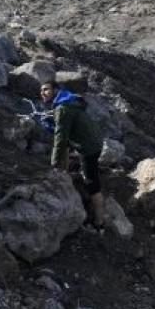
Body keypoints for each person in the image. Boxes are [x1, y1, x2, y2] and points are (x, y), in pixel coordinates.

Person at [42, 82, 106, 228]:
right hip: (94, 142)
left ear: (56, 90)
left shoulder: (62, 108)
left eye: (46, 89)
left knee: (92, 185)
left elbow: (61, 139)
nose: (43, 93)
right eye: (41, 90)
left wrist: (54, 162)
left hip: (88, 148)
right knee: (69, 153)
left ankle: (99, 222)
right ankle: (65, 172)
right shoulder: (68, 101)